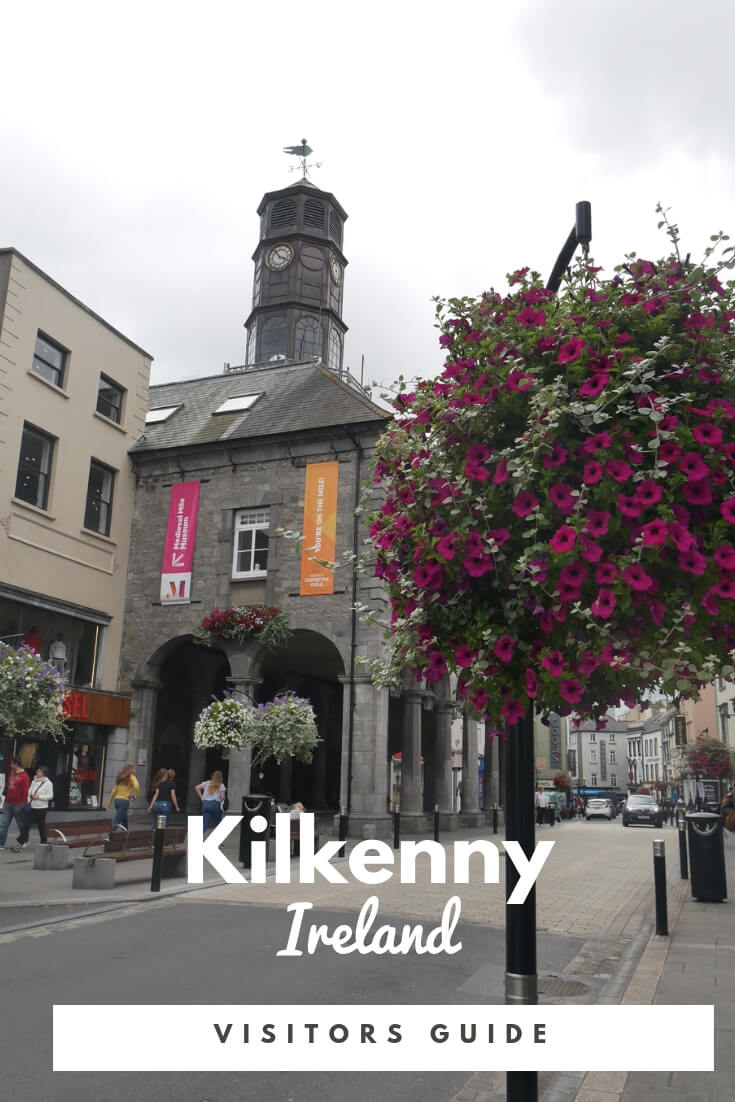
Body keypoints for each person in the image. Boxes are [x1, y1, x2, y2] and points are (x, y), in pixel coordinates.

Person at [15, 766, 54, 848]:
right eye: (37, 771)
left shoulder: (48, 783)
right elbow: (29, 792)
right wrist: (29, 800)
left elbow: (50, 796)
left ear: (44, 774)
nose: (37, 772)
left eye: (39, 771)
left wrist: (39, 797)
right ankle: (21, 842)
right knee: (26, 824)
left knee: (41, 825)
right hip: (32, 807)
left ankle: (43, 841)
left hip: (41, 808)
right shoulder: (34, 781)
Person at [0, 761, 31, 850]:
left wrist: (22, 803)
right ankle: (1, 843)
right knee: (4, 823)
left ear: (16, 764)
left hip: (19, 803)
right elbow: (8, 788)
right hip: (8, 803)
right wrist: (5, 801)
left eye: (12, 764)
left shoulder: (24, 776)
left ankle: (25, 840)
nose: (10, 766)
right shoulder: (12, 775)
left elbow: (25, 791)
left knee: (21, 824)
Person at [105, 763, 139, 832]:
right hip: (124, 801)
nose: (135, 770)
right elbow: (136, 786)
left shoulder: (121, 778)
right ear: (131, 770)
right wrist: (136, 795)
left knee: (124, 819)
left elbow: (113, 792)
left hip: (116, 801)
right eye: (134, 768)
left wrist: (108, 804)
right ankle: (109, 837)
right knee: (117, 821)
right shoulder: (132, 777)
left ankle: (125, 835)